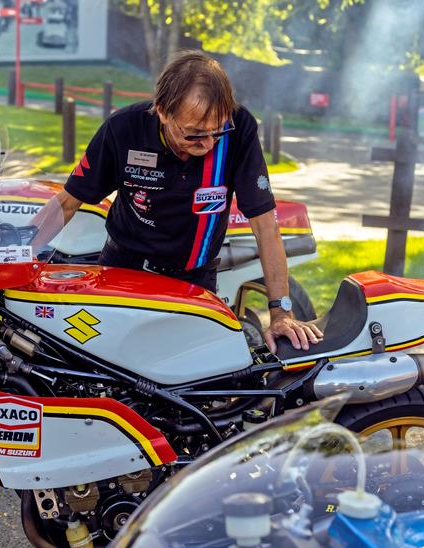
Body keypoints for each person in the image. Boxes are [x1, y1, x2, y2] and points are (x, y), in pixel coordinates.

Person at [31, 50, 322, 352]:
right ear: (162, 111)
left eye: (217, 131)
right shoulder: (123, 130)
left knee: (186, 375)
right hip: (123, 270)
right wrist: (11, 256)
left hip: (195, 279)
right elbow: (67, 202)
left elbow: (265, 226)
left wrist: (281, 312)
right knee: (107, 364)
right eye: (194, 133)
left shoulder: (239, 130)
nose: (208, 143)